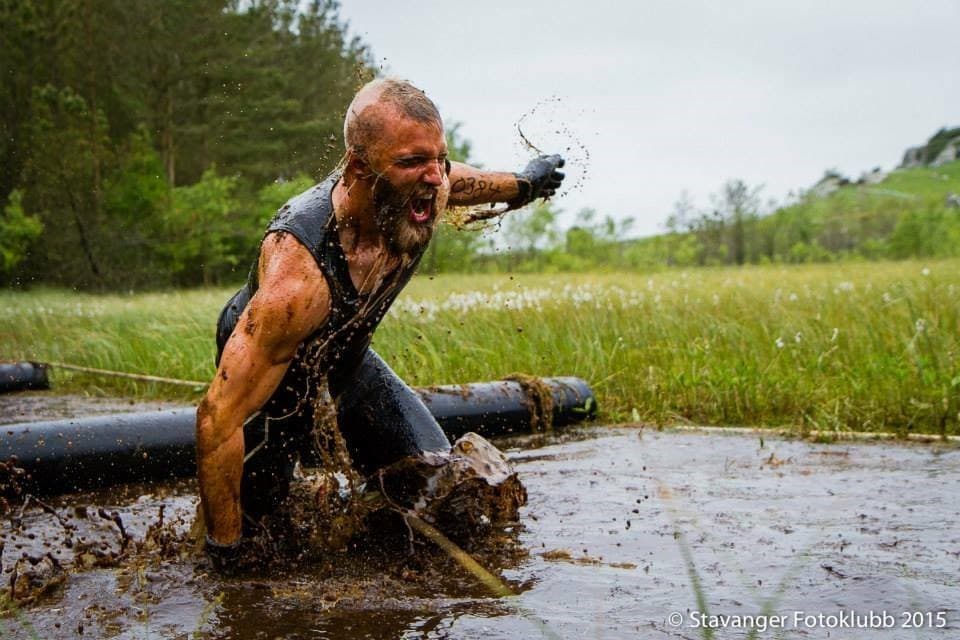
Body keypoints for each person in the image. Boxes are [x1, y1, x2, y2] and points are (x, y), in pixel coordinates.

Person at [196, 78, 565, 563]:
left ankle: (361, 530)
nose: (433, 178)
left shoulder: (427, 185)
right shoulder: (300, 275)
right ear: (358, 167)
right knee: (260, 533)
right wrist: (223, 554)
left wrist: (524, 184)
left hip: (348, 361)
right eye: (412, 162)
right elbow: (217, 420)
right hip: (280, 368)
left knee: (441, 491)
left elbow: (461, 181)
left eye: (438, 159)